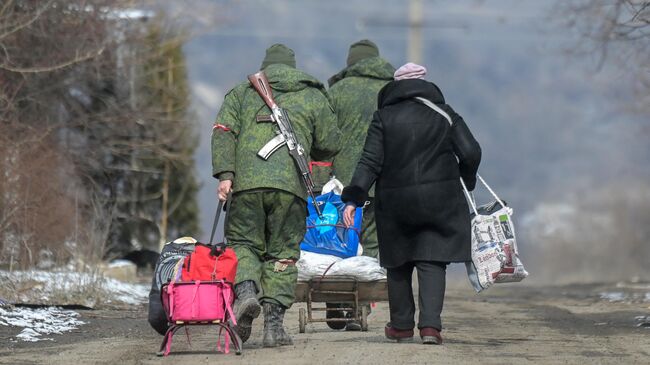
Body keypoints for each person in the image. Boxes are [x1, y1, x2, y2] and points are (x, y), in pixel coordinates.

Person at [341, 63, 481, 345]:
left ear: (395, 87)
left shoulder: (384, 116)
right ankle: (430, 327)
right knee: (432, 259)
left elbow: (370, 161)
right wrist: (465, 178)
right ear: (425, 83)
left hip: (396, 201)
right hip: (441, 199)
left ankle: (401, 326)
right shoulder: (444, 113)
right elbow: (471, 151)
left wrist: (354, 198)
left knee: (398, 261)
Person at [211, 44, 341, 347]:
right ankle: (273, 327)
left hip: (245, 185)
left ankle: (245, 295)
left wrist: (225, 175)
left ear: (266, 67)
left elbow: (222, 130)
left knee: (244, 244)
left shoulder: (241, 93)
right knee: (282, 253)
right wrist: (316, 179)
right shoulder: (312, 95)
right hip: (290, 188)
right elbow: (329, 142)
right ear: (293, 67)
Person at [324, 39, 396, 331]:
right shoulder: (391, 91)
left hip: (341, 185)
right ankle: (359, 307)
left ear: (351, 62)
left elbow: (324, 138)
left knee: (338, 241)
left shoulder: (337, 92)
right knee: (370, 243)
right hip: (380, 182)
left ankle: (335, 300)